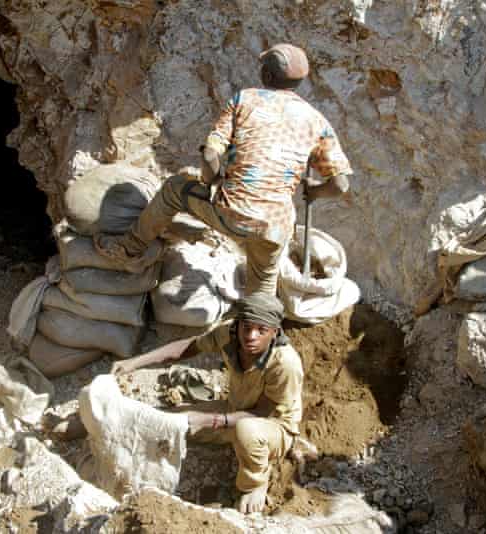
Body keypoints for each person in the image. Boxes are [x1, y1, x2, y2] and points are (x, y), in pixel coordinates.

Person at [94, 43, 353, 296]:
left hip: (233, 213)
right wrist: (316, 191)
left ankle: (129, 249)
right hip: (275, 227)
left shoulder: (245, 99)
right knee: (262, 286)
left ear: (267, 75)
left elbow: (209, 155)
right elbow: (340, 185)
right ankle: (261, 326)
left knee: (174, 189)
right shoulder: (317, 121)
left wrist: (212, 180)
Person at [109, 293, 303, 514]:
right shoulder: (229, 334)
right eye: (246, 327)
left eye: (261, 330)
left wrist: (213, 420)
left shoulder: (285, 363)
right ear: (238, 324)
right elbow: (191, 346)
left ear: (275, 332)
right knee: (169, 422)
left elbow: (263, 412)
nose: (251, 336)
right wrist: (136, 362)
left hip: (273, 426)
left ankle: (255, 482)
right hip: (234, 409)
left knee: (246, 431)